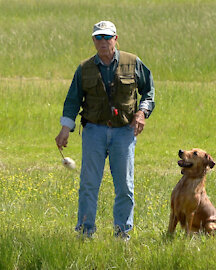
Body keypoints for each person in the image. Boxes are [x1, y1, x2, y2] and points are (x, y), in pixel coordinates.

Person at [55, 21, 155, 240]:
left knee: (125, 187)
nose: (103, 42)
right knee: (89, 184)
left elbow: (148, 91)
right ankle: (85, 233)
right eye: (98, 38)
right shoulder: (84, 68)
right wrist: (65, 129)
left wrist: (142, 113)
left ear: (116, 39)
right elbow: (73, 100)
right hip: (93, 131)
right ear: (93, 41)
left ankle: (122, 235)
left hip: (123, 133)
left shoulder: (133, 62)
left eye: (107, 37)